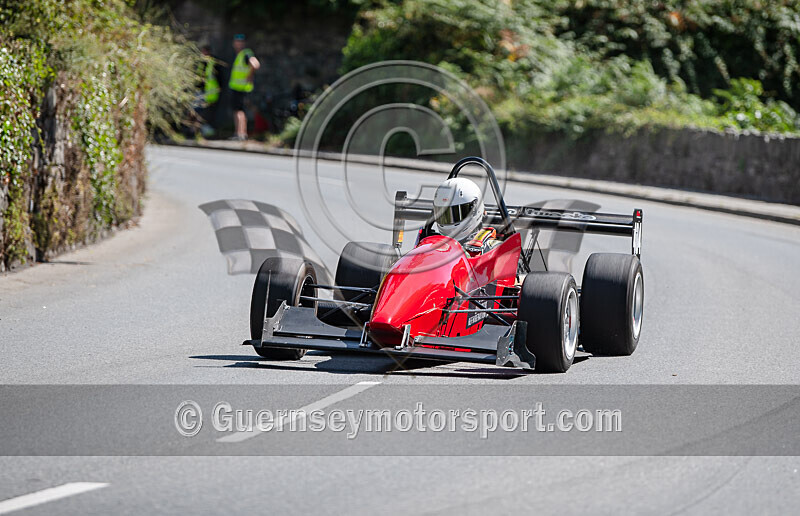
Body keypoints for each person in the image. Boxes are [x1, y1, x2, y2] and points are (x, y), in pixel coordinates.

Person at [432, 177, 501, 255]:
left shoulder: (490, 248)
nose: (449, 221)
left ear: (474, 210)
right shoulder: (432, 243)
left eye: (456, 214)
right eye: (445, 214)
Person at [228, 34, 260, 141]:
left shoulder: (246, 54)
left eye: (240, 42)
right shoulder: (241, 55)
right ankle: (242, 133)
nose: (238, 43)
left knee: (238, 111)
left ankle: (239, 133)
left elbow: (255, 64)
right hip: (239, 87)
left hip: (240, 88)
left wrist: (250, 75)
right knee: (240, 111)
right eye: (236, 41)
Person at [198, 45, 220, 138]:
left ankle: (209, 133)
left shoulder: (213, 62)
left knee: (208, 114)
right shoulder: (200, 62)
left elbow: (219, 77)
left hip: (211, 93)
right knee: (199, 112)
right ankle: (198, 132)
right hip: (202, 92)